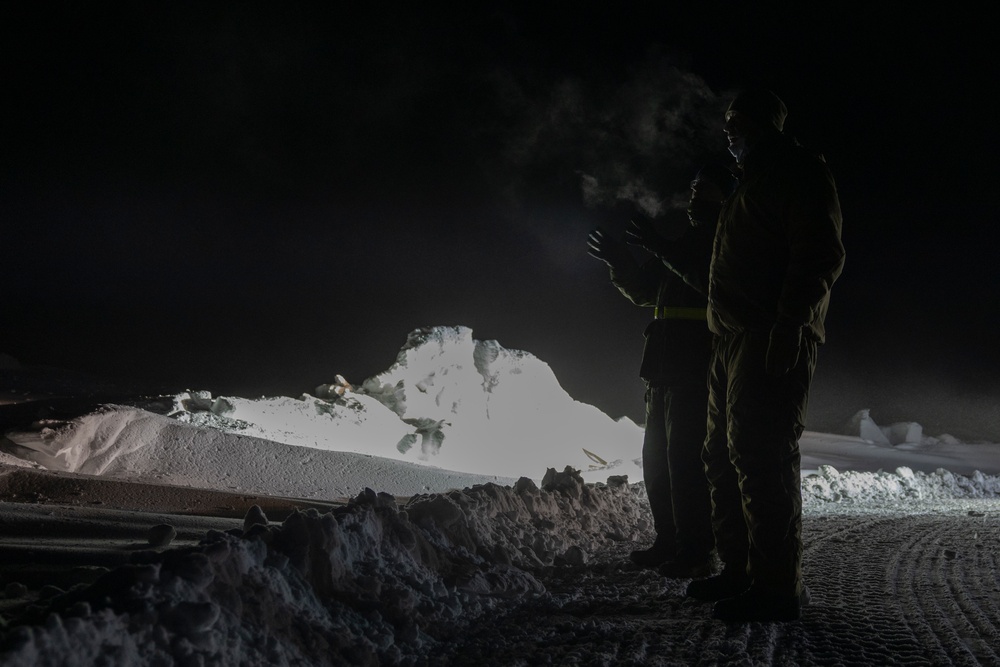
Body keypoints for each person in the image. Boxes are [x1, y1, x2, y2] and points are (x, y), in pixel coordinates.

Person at [684, 88, 846, 623]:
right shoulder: (748, 184)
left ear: (765, 125)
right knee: (721, 456)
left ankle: (775, 587)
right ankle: (739, 570)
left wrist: (787, 325)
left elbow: (821, 252)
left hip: (768, 335)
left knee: (761, 458)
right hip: (730, 338)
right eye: (727, 122)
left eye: (738, 122)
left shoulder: (797, 172)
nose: (728, 130)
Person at [587, 163, 734, 577]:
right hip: (663, 368)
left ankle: (697, 551)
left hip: (696, 367)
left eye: (703, 189)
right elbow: (643, 292)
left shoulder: (725, 242)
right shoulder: (684, 242)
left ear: (724, 197)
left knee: (687, 464)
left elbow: (713, 285)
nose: (693, 197)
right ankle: (670, 541)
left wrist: (661, 248)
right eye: (692, 189)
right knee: (657, 462)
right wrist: (621, 260)